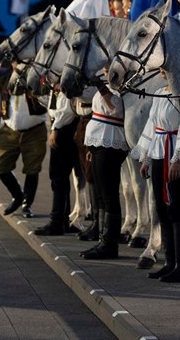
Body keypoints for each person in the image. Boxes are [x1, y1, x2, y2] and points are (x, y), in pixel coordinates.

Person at [132, 70, 180, 282]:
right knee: (161, 208)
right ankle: (169, 262)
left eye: (166, 69)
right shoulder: (160, 93)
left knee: (176, 209)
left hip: (175, 154)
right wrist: (146, 158)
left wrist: (178, 158)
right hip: (159, 151)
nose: (162, 72)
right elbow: (151, 125)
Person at [0, 66, 48, 218]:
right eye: (17, 62)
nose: (21, 66)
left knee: (32, 168)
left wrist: (35, 91)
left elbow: (50, 102)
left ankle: (27, 204)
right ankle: (17, 195)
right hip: (10, 130)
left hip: (34, 130)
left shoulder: (39, 80)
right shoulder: (2, 83)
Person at [80, 77, 129, 259]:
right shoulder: (108, 85)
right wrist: (91, 147)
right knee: (100, 194)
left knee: (109, 195)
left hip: (110, 142)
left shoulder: (122, 86)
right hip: (98, 142)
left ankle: (110, 244)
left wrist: (101, 88)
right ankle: (102, 239)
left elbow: (115, 108)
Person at [34, 85, 81, 236]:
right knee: (61, 179)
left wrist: (55, 129)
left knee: (58, 177)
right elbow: (53, 106)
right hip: (61, 127)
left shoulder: (66, 86)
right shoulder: (56, 87)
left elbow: (66, 111)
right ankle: (62, 220)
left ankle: (57, 223)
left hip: (64, 130)